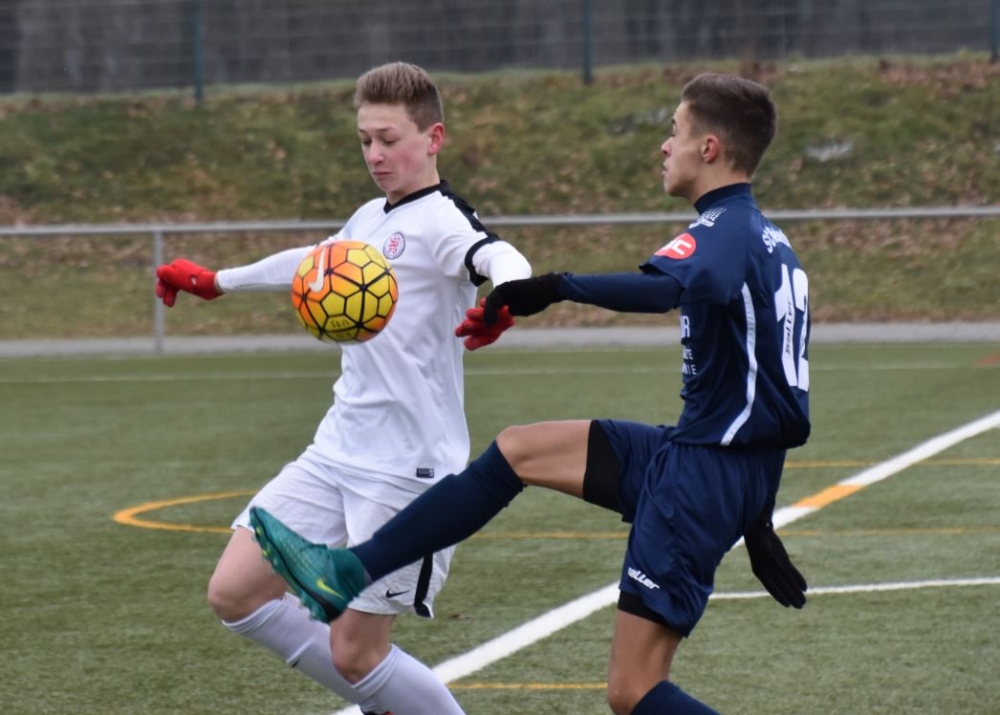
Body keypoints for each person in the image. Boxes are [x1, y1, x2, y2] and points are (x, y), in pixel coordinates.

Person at [250, 72, 810, 714]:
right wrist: (754, 510)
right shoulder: (769, 240)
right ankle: (349, 570)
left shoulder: (724, 232)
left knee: (633, 690)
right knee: (518, 450)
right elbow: (773, 392)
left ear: (708, 148)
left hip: (704, 472)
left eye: (675, 131)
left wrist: (555, 286)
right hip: (702, 458)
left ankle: (351, 570)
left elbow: (663, 290)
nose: (664, 145)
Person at [154, 61, 531, 715]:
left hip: (407, 469)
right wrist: (218, 281)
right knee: (235, 592)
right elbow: (312, 262)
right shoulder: (369, 217)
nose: (375, 154)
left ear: (434, 138)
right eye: (365, 140)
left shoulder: (443, 221)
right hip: (335, 451)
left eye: (389, 139)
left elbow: (501, 256)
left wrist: (508, 298)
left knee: (357, 653)